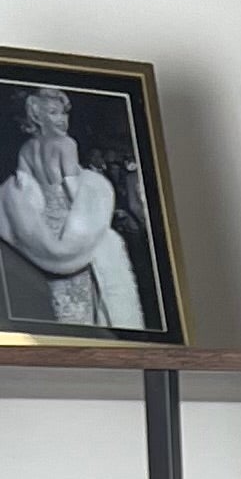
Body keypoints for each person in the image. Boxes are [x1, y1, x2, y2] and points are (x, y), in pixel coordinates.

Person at [0, 84, 145, 330]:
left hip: (43, 231)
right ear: (37, 116)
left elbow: (24, 187)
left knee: (61, 303)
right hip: (71, 227)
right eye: (53, 112)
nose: (62, 119)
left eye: (64, 113)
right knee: (84, 304)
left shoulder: (26, 149)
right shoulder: (66, 144)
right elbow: (73, 187)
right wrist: (95, 193)